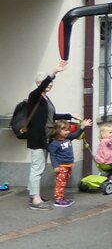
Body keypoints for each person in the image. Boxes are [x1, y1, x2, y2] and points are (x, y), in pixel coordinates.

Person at [23, 59, 75, 211]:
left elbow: (51, 116)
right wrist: (53, 72)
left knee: (38, 167)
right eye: (46, 82)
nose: (50, 85)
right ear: (38, 83)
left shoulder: (46, 99)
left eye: (51, 83)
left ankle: (33, 194)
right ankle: (35, 200)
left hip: (45, 138)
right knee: (37, 168)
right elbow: (45, 84)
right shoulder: (34, 96)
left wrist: (70, 115)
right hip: (37, 139)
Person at [47, 116, 91, 208]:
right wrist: (55, 166)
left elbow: (76, 134)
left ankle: (61, 197)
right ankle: (58, 199)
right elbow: (52, 155)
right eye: (65, 130)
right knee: (60, 182)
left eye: (68, 130)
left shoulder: (68, 138)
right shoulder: (54, 143)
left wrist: (83, 126)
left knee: (64, 182)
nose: (68, 132)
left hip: (68, 165)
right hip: (61, 166)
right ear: (57, 131)